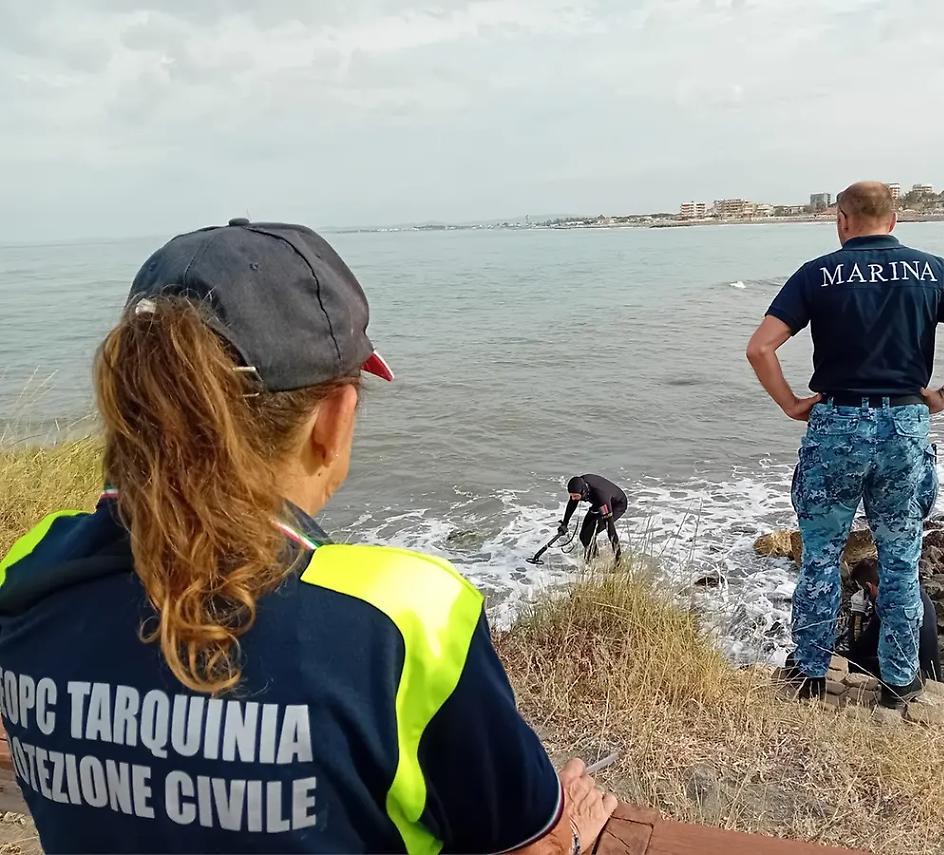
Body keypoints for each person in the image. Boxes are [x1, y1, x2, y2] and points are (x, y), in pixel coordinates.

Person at [0, 219, 616, 854]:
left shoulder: (30, 571)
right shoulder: (403, 619)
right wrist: (567, 835)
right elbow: (524, 843)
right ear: (333, 417)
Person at [746, 181, 944, 706]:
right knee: (900, 558)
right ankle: (899, 680)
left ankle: (807, 673)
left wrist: (789, 403)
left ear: (842, 219)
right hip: (904, 429)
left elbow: (760, 349)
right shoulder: (932, 271)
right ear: (895, 220)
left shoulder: (817, 273)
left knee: (821, 556)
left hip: (836, 427)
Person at [845, 559, 940, 682]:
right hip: (930, 673)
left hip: (913, 678)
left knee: (847, 660)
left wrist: (857, 613)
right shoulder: (914, 592)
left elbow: (857, 650)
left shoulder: (888, 605)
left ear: (869, 587)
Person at [559, 475, 627, 562]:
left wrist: (618, 559)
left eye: (575, 496)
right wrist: (565, 523)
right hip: (598, 503)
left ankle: (617, 560)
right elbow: (572, 503)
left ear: (583, 492)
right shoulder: (580, 484)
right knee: (583, 536)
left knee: (588, 535)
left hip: (616, 505)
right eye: (571, 496)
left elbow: (610, 529)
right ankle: (595, 559)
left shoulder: (601, 497)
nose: (573, 498)